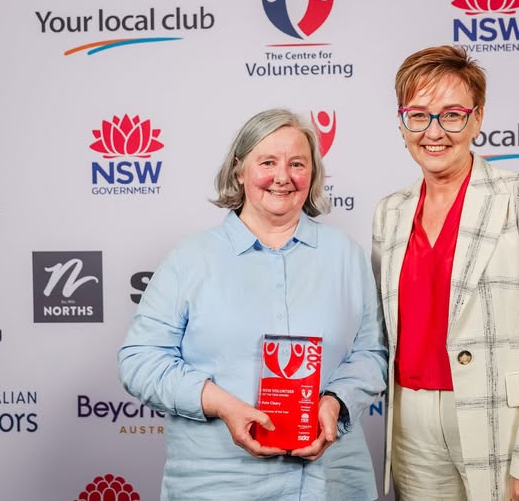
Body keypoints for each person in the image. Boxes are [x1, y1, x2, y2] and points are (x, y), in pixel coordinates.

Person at [119, 108, 387, 501]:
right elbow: (139, 360)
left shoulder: (346, 255)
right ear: (239, 170)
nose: (283, 176)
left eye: (297, 163)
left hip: (330, 482)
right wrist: (221, 403)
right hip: (218, 482)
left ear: (312, 174)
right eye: (267, 162)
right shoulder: (191, 259)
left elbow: (372, 353)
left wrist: (335, 403)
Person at [371, 45, 519, 501]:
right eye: (419, 115)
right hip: (411, 426)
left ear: (477, 118)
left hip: (503, 421)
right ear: (401, 121)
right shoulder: (390, 213)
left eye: (451, 114)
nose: (434, 131)